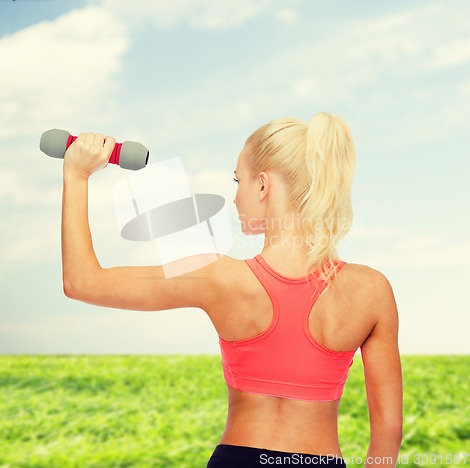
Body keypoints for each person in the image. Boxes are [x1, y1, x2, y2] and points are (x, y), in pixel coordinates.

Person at [61, 112, 403, 467]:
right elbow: (388, 429)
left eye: (238, 180)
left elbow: (82, 282)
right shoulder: (371, 290)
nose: (235, 198)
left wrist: (77, 173)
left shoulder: (217, 277)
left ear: (262, 186)